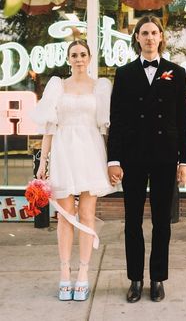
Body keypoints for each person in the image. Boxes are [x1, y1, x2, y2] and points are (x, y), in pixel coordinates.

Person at [107, 15, 186, 302]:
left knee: (161, 222)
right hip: (132, 157)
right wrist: (113, 160)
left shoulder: (175, 72)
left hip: (165, 157)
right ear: (137, 38)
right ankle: (135, 279)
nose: (149, 38)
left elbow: (183, 120)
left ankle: (157, 279)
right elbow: (116, 120)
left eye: (154, 33)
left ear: (161, 37)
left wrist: (185, 161)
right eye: (144, 33)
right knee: (132, 222)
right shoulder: (125, 73)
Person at [30, 39, 117, 301]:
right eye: (74, 54)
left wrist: (112, 161)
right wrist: (43, 162)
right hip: (64, 151)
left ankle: (83, 274)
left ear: (90, 58)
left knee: (87, 214)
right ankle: (64, 272)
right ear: (69, 59)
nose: (79, 58)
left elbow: (105, 130)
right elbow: (49, 127)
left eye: (83, 54)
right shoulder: (57, 86)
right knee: (66, 215)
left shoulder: (101, 87)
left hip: (91, 151)